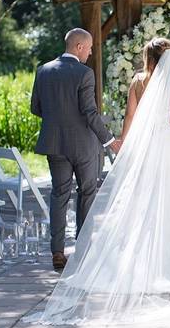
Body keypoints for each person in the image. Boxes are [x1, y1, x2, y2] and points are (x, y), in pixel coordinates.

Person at [28, 38, 170, 324]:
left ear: (148, 57)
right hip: (168, 144)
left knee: (139, 199)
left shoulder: (138, 81)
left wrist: (125, 146)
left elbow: (130, 116)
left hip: (143, 145)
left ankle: (115, 258)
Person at [30, 28, 121, 273]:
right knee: (87, 192)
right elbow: (90, 113)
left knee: (59, 195)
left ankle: (57, 253)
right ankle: (82, 251)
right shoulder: (84, 73)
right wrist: (110, 140)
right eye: (89, 48)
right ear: (79, 46)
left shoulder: (43, 71)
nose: (91, 53)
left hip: (55, 144)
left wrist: (58, 119)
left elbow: (36, 108)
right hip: (83, 145)